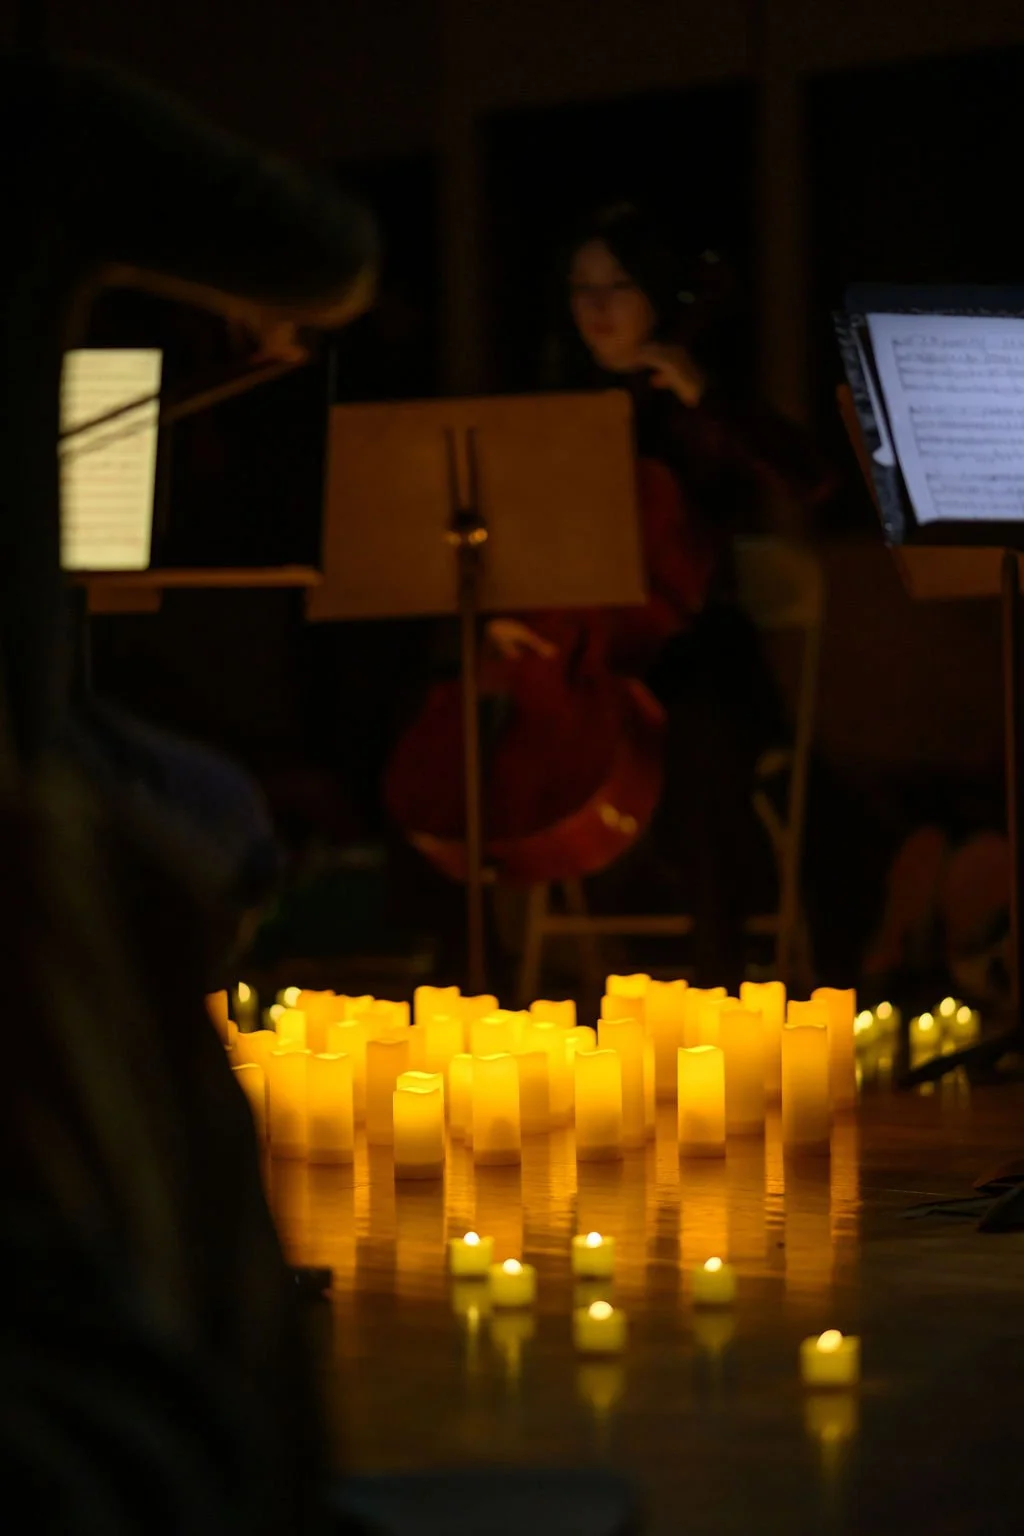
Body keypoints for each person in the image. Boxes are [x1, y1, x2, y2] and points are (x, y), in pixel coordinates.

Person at [490, 203, 835, 989]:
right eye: (582, 289)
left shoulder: (696, 402)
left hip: (698, 654)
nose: (598, 308)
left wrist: (704, 393)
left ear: (660, 296)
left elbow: (810, 477)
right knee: (474, 737)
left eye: (620, 285)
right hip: (582, 659)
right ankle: (489, 982)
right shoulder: (553, 403)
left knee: (700, 749)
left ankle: (721, 984)